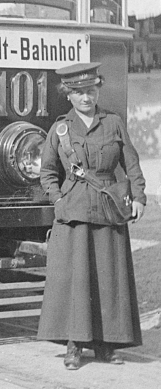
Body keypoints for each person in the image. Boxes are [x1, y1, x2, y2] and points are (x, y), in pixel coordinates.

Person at [37, 62, 147, 370]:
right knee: (75, 282)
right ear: (68, 96)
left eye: (91, 91)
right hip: (73, 214)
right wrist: (58, 199)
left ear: (98, 90)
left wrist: (138, 197)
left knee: (109, 279)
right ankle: (74, 345)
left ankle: (106, 345)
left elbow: (132, 164)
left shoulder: (113, 122)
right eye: (79, 93)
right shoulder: (60, 129)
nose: (86, 98)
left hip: (109, 210)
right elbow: (47, 172)